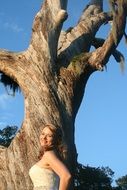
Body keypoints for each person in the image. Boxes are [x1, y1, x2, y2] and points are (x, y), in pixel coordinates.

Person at [29, 124, 72, 190]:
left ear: (56, 139)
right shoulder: (52, 155)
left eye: (49, 136)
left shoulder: (49, 155)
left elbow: (66, 176)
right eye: (43, 134)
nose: (44, 137)